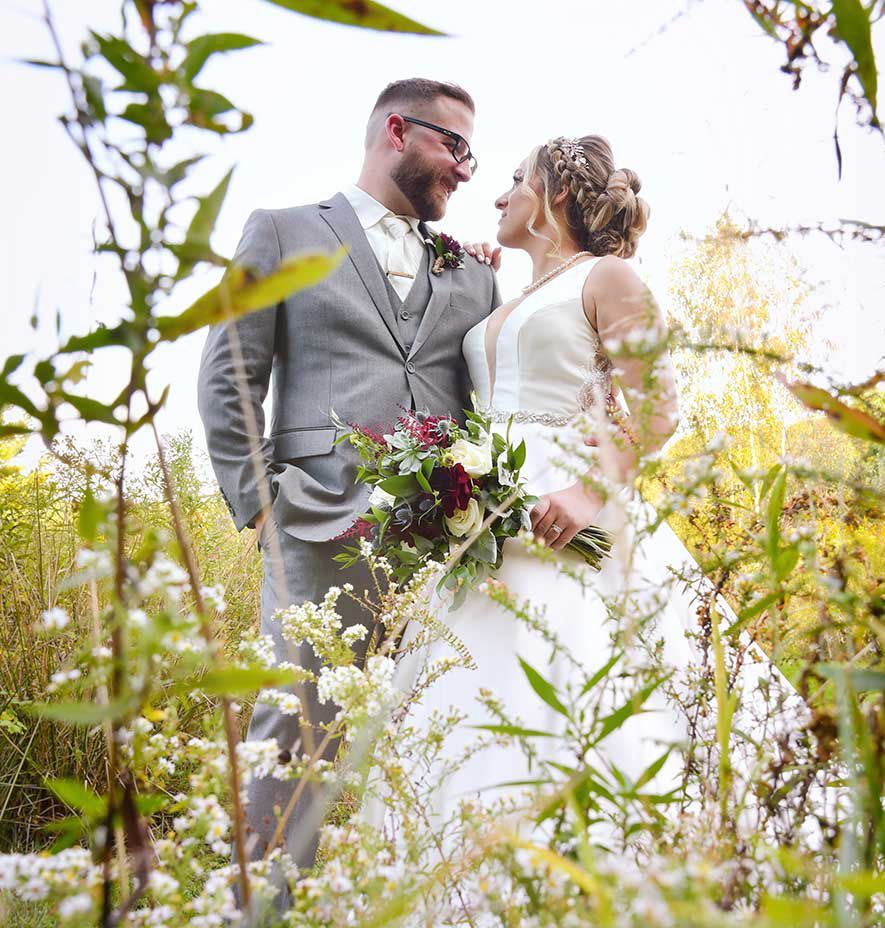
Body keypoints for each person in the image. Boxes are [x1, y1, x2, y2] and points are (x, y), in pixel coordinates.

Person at [387, 135, 805, 829]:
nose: (498, 193)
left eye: (516, 178)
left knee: (581, 678)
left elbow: (659, 406)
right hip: (490, 523)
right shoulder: (511, 295)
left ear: (553, 190)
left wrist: (588, 494)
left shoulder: (607, 277)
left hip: (572, 513)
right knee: (471, 695)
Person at [197, 78, 501, 870]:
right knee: (295, 736)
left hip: (445, 549)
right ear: (397, 130)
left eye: (474, 153)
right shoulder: (283, 232)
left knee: (437, 737)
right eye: (454, 145)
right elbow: (229, 373)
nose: (467, 169)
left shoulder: (473, 272)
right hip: (313, 525)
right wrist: (262, 507)